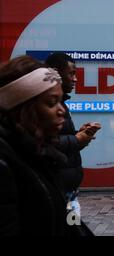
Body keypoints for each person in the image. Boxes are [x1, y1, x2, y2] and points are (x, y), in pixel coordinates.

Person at [0, 55, 90, 235]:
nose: (62, 111)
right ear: (24, 109)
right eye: (51, 102)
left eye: (60, 101)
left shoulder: (38, 154)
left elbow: (66, 220)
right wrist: (76, 140)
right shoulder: (5, 167)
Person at [45, 52, 101, 218]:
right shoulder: (43, 106)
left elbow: (59, 138)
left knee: (73, 228)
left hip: (69, 191)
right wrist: (76, 140)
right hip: (57, 190)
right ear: (56, 73)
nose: (75, 79)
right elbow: (43, 144)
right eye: (71, 73)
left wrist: (79, 136)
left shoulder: (60, 103)